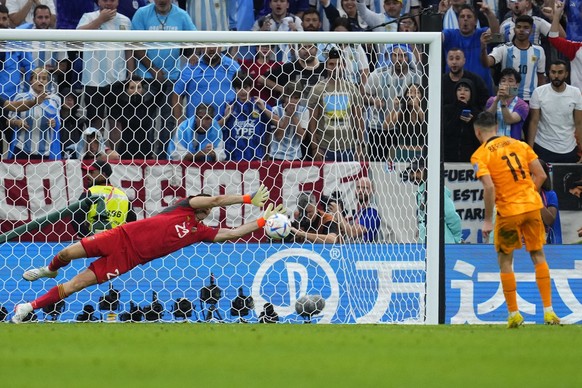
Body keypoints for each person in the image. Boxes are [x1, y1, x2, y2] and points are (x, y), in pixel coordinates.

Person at [11, 185, 283, 323]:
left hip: (128, 259)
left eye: (209, 212)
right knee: (67, 252)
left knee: (76, 285)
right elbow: (214, 200)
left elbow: (232, 233)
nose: (209, 211)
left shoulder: (199, 231)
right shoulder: (182, 207)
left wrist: (260, 223)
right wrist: (247, 199)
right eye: (206, 207)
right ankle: (50, 269)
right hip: (120, 236)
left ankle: (28, 307)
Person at [471, 111, 560, 328]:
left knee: (505, 261)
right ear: (497, 127)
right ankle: (549, 312)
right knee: (538, 255)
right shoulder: (520, 144)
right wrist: (528, 193)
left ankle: (514, 314)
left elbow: (490, 187)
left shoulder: (480, 155)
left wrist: (487, 221)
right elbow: (540, 175)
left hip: (508, 213)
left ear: (478, 131)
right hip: (531, 208)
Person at [131, 0, 197, 159]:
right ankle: (143, 157)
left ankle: (162, 158)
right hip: (146, 78)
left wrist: (192, 53)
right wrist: (152, 68)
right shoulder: (142, 13)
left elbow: (194, 39)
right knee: (145, 120)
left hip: (172, 77)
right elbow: (134, 43)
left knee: (169, 122)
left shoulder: (182, 15)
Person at [77, 0, 133, 145]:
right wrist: (99, 20)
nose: (109, 3)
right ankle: (96, 153)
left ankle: (115, 155)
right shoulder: (88, 17)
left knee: (117, 121)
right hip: (93, 79)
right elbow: (76, 37)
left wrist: (131, 74)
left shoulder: (125, 21)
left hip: (118, 79)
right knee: (95, 121)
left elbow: (129, 49)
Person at [308, 48, 365, 162]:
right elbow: (312, 122)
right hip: (325, 147)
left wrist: (361, 146)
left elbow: (358, 119)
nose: (335, 67)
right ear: (326, 66)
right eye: (331, 64)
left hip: (348, 147)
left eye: (339, 64)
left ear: (344, 65)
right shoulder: (318, 89)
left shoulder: (351, 88)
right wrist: (315, 147)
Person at [481, 14, 546, 103]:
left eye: (526, 27)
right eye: (518, 27)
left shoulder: (539, 51)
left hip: (530, 99)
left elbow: (541, 78)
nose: (521, 30)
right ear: (514, 29)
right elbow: (487, 63)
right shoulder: (504, 48)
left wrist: (541, 100)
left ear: (531, 30)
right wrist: (483, 48)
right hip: (508, 97)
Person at [527, 60, 582, 163]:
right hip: (543, 146)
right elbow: (534, 122)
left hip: (569, 148)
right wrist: (529, 151)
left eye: (560, 72)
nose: (556, 76)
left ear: (566, 74)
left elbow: (579, 123)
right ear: (549, 73)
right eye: (553, 72)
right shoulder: (538, 92)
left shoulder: (575, 92)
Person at [442, 4, 500, 93]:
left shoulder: (482, 34)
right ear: (458, 21)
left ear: (476, 21)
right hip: (455, 91)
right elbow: (439, 38)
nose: (465, 19)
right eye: (462, 16)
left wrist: (488, 13)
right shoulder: (450, 34)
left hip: (482, 90)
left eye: (469, 16)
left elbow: (496, 32)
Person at [8, 67, 61, 160]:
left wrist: (53, 123)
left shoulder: (54, 100)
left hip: (45, 151)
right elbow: (8, 121)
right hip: (21, 149)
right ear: (31, 81)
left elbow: (58, 123)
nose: (41, 81)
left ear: (48, 82)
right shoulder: (20, 98)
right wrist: (17, 122)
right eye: (37, 78)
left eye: (44, 78)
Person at [73, 160, 135, 238]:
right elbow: (132, 223)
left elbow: (75, 218)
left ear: (104, 175)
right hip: (116, 241)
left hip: (95, 242)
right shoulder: (123, 196)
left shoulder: (90, 192)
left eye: (92, 173)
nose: (87, 176)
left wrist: (88, 237)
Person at [408, 158, 462, 244]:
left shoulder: (437, 190)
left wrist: (457, 238)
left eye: (418, 171)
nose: (414, 175)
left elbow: (451, 215)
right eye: (412, 172)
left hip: (442, 243)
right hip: (425, 244)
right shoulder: (420, 192)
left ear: (427, 171)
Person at [221, 76, 273, 161]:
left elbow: (279, 123)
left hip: (255, 158)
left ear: (251, 87)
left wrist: (264, 109)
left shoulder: (259, 103)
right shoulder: (229, 105)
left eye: (245, 87)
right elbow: (215, 127)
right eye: (239, 88)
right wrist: (226, 117)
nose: (242, 91)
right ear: (234, 89)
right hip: (233, 158)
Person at [442, 78, 482, 162]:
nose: (462, 92)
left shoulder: (477, 113)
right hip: (449, 157)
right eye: (459, 90)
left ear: (472, 93)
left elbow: (479, 138)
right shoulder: (447, 109)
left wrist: (472, 122)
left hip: (470, 158)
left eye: (466, 90)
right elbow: (447, 131)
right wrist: (459, 109)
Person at [384, 83, 426, 161]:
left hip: (420, 154)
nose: (413, 95)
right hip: (402, 154)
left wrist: (416, 107)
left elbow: (427, 123)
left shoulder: (424, 113)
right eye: (409, 92)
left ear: (422, 96)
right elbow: (386, 126)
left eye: (417, 92)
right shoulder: (401, 113)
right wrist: (394, 108)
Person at [330, 177, 382, 242]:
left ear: (372, 191)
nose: (361, 190)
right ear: (355, 190)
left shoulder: (372, 212)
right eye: (358, 187)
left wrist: (338, 214)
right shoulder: (359, 213)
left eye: (366, 188)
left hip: (363, 250)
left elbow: (353, 233)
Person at [268, 81, 309, 161]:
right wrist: (287, 115)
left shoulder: (304, 111)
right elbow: (279, 137)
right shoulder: (275, 110)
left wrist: (293, 116)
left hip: (296, 156)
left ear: (300, 99)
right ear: (284, 97)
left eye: (296, 98)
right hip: (276, 156)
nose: (292, 101)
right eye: (289, 97)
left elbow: (302, 137)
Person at [484, 67, 529, 140]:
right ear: (499, 84)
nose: (506, 83)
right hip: (493, 143)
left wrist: (503, 101)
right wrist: (497, 100)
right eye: (503, 80)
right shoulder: (491, 100)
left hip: (512, 145)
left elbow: (509, 120)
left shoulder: (523, 105)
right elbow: (486, 119)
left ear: (517, 85)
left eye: (510, 81)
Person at [538, 159, 562, 244]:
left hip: (544, 242)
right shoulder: (518, 194)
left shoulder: (550, 195)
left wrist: (537, 200)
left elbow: (549, 221)